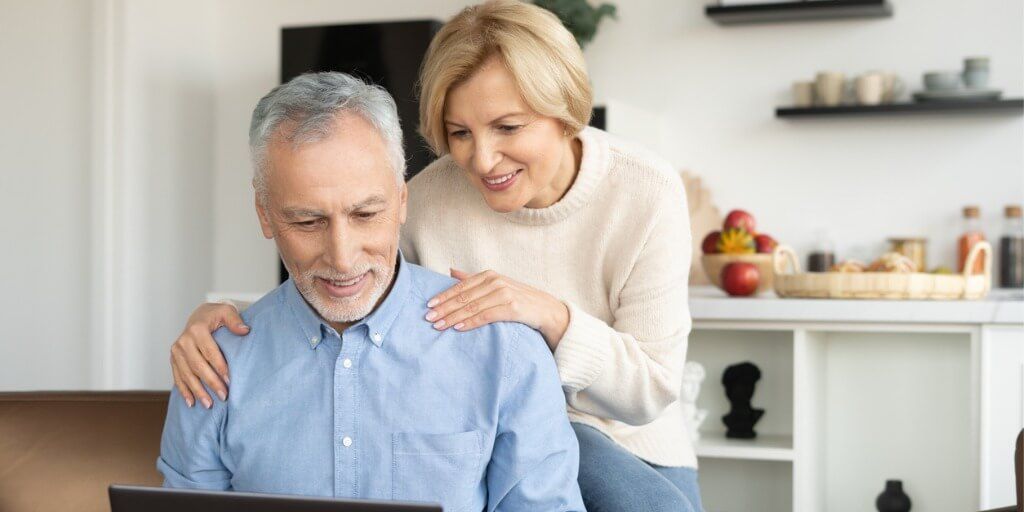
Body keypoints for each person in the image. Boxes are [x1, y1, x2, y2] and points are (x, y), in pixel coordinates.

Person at [168, 1, 702, 511]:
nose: (484, 158)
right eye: (459, 133)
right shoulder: (423, 197)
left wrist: (550, 317)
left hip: (627, 442)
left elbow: (652, 388)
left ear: (563, 112)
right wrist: (221, 325)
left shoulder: (645, 191)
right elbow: (340, 279)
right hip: (479, 424)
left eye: (508, 127)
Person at [157, 71, 585, 512]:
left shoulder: (506, 353)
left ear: (402, 200)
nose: (342, 258)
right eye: (307, 222)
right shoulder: (212, 364)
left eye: (365, 214)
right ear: (264, 214)